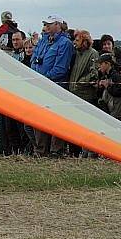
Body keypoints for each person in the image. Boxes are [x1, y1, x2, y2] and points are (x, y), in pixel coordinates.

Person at [30, 14, 75, 156]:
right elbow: (34, 59)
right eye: (45, 24)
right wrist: (35, 75)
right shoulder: (43, 41)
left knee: (57, 118)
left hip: (56, 86)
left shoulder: (65, 43)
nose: (46, 26)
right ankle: (40, 149)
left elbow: (61, 68)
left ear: (58, 25)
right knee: (39, 118)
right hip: (40, 85)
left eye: (50, 24)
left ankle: (56, 150)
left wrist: (43, 78)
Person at [96, 53, 121, 122]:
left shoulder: (116, 75)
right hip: (110, 108)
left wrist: (107, 86)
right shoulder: (105, 75)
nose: (99, 66)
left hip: (117, 110)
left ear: (107, 64)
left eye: (101, 64)